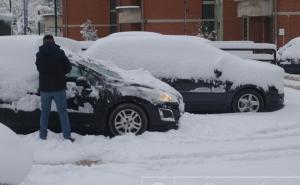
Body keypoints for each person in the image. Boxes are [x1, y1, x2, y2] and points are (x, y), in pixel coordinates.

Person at [36, 34, 75, 142]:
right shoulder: (60, 53)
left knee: (44, 112)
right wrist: (60, 72)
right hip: (59, 88)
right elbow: (68, 67)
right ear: (53, 41)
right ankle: (67, 135)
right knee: (62, 112)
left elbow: (39, 68)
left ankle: (42, 135)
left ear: (43, 42)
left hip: (45, 89)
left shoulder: (39, 54)